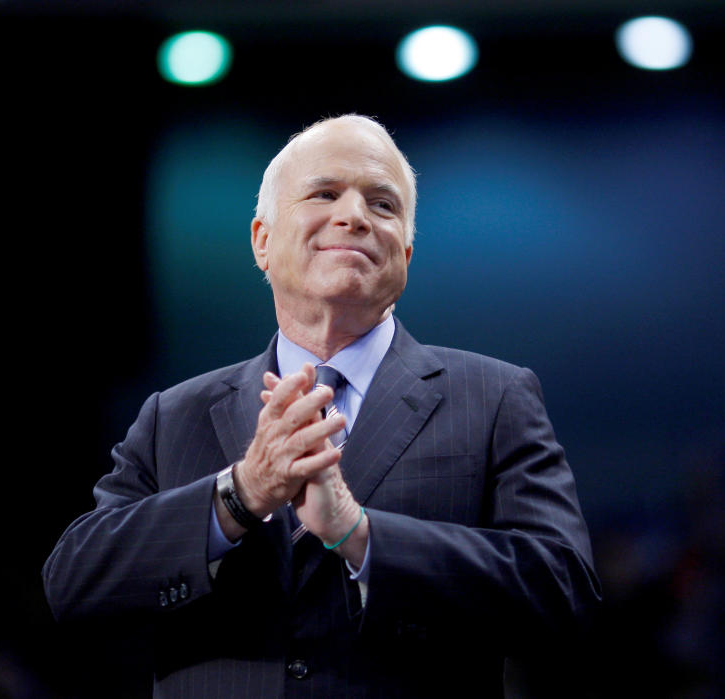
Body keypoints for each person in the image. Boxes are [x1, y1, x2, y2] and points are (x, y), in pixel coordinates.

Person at [43, 114, 601, 698]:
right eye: (325, 193)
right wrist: (240, 493)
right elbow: (75, 583)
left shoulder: (494, 398)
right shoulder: (173, 416)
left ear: (405, 255)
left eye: (382, 205)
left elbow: (564, 593)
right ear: (262, 240)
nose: (354, 216)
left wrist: (361, 535)